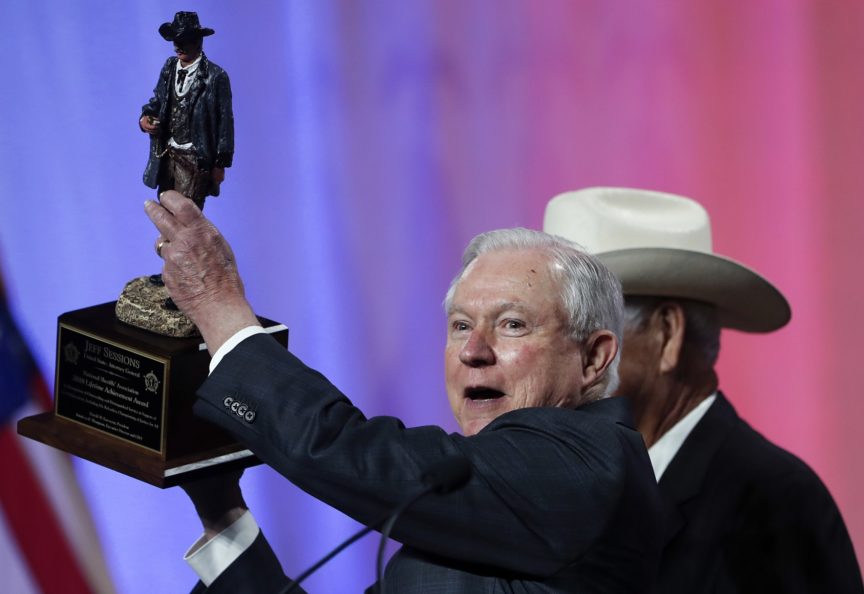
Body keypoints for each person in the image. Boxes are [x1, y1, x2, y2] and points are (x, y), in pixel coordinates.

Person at [144, 191, 664, 593]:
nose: (473, 351)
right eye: (461, 326)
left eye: (512, 325)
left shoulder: (592, 461)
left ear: (593, 358)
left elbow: (361, 455)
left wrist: (219, 308)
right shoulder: (480, 509)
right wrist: (221, 512)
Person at [544, 187, 864, 593]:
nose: (548, 357)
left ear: (666, 334)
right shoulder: (559, 486)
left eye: (580, 330)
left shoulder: (772, 500)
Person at [139, 11, 234, 210]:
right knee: (166, 207)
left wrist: (220, 164)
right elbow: (158, 100)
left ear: (198, 42)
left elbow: (225, 123)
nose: (178, 46)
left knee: (187, 213)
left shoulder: (216, 76)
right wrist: (145, 118)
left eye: (184, 41)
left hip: (195, 158)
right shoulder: (169, 67)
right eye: (176, 40)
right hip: (167, 154)